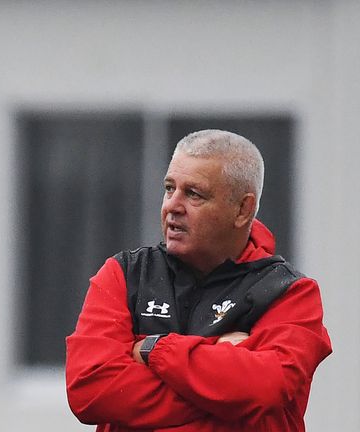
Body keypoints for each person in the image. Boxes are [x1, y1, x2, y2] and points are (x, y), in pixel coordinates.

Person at [65, 129, 331, 431]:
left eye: (194, 194)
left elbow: (265, 388)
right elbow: (90, 390)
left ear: (242, 209)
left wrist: (154, 349)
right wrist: (222, 380)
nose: (172, 206)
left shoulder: (290, 293)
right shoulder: (125, 274)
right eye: (169, 189)